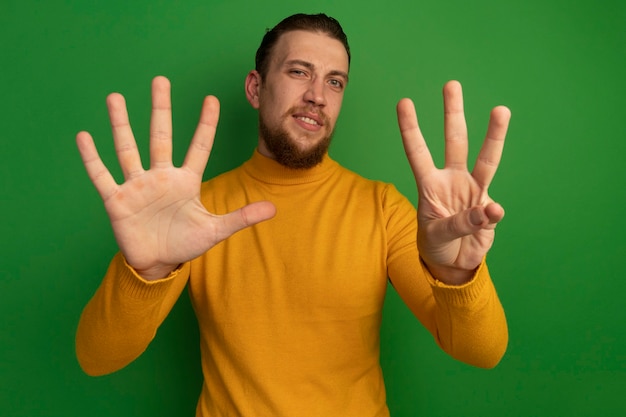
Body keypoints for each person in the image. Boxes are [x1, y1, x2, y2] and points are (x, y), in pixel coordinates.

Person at [75, 13, 510, 417]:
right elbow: (96, 358)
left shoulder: (381, 208)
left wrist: (458, 277)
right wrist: (146, 272)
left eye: (335, 82)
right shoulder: (192, 215)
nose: (317, 96)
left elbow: (482, 351)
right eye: (299, 71)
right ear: (255, 87)